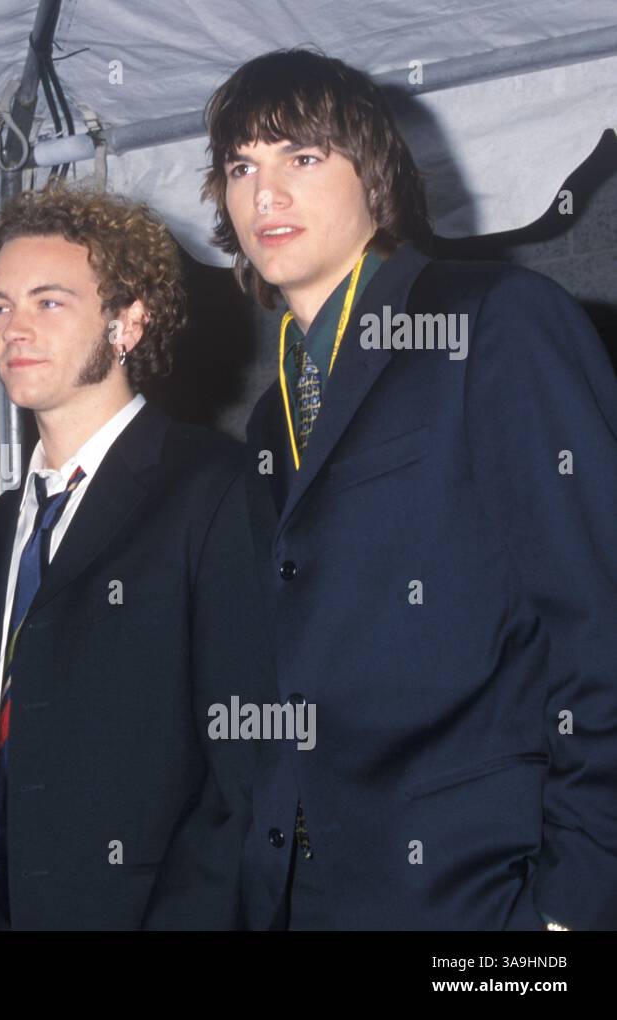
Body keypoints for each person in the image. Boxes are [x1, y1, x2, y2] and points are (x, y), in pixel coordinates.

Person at [202, 48, 617, 929]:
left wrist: (565, 913)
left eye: (302, 158)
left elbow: (602, 627)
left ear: (376, 174)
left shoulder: (497, 321)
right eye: (242, 166)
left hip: (482, 898)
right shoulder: (274, 414)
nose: (263, 194)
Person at [0, 184, 272, 930]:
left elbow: (249, 774)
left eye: (49, 302)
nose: (13, 329)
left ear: (128, 320)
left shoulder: (214, 490)